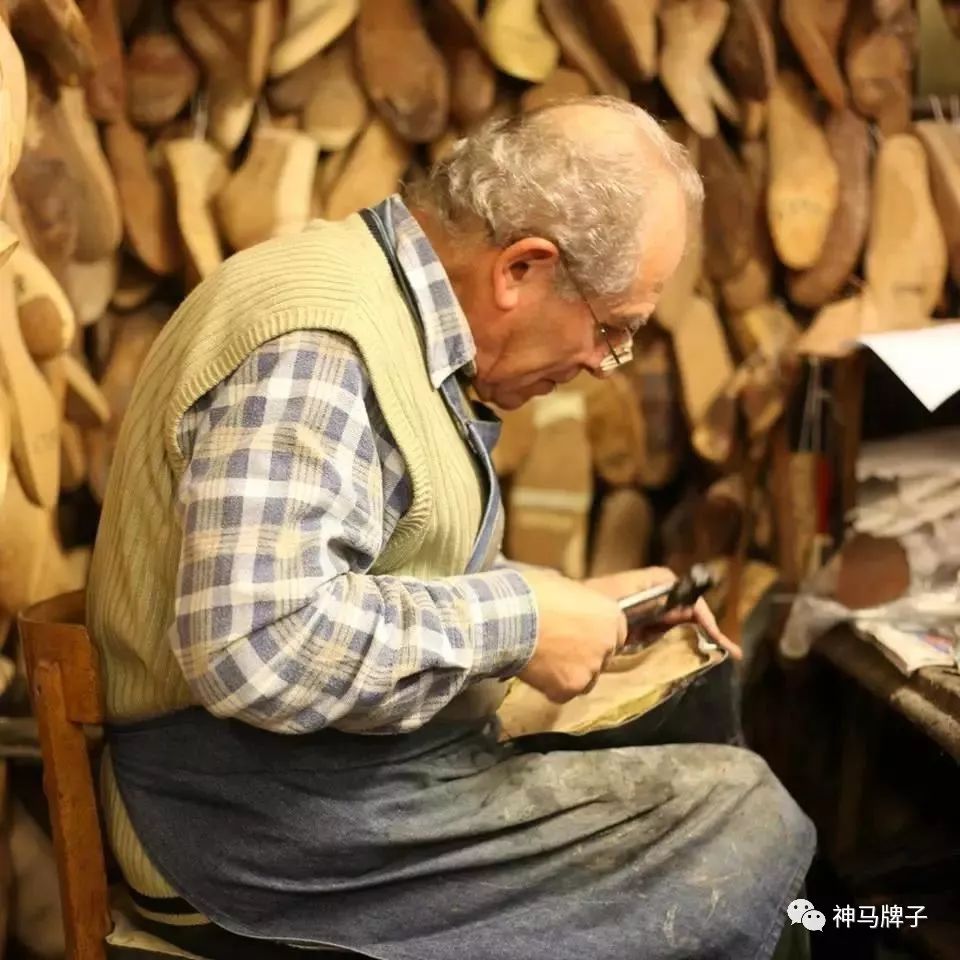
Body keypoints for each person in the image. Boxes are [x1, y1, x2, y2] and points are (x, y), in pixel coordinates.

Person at [87, 96, 815, 960]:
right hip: (248, 832)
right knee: (743, 817)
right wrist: (524, 621)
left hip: (321, 795)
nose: (601, 364)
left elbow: (373, 561)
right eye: (612, 329)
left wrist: (571, 605)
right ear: (522, 269)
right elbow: (261, 645)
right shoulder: (323, 341)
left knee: (690, 737)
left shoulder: (393, 316)